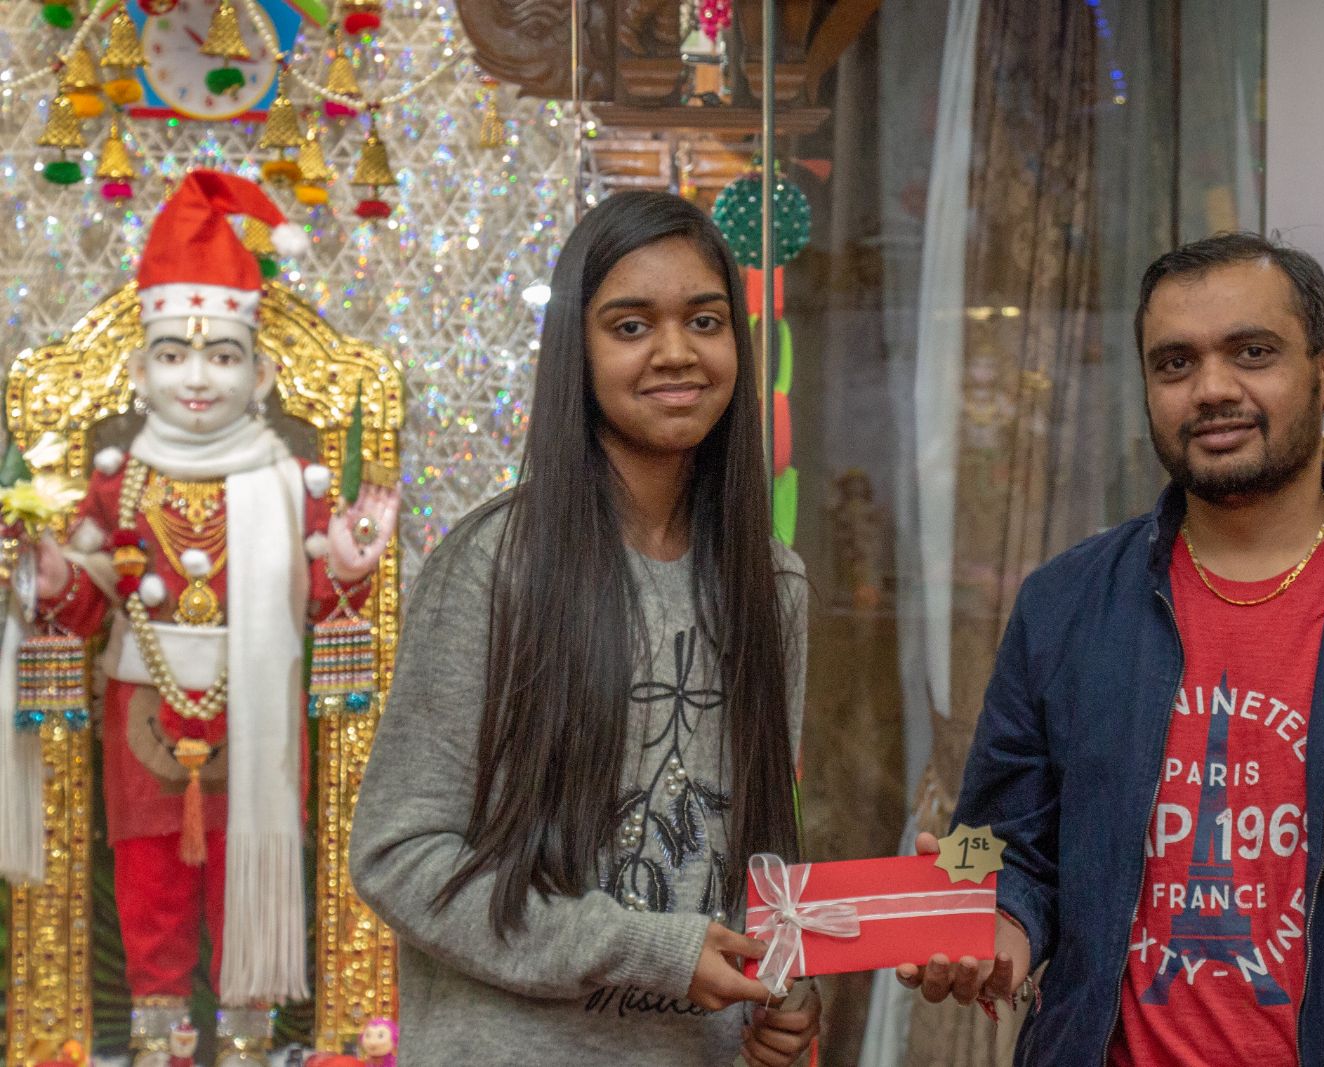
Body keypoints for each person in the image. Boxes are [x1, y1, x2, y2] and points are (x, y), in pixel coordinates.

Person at [898, 233, 1324, 1064]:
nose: (1212, 388)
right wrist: (977, 903)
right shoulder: (1061, 604)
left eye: (1252, 352)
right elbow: (990, 836)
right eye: (1174, 364)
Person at [349, 191, 820, 1066]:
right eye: (631, 325)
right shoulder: (499, 565)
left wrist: (782, 986)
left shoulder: (773, 583)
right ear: (577, 350)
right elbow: (398, 854)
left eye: (705, 320)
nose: (675, 351)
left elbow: (754, 857)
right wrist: (650, 947)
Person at [5, 170, 399, 1065]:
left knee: (242, 880)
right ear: (141, 368)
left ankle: (251, 1040)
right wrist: (56, 567)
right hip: (142, 708)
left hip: (254, 715)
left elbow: (333, 604)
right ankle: (160, 1045)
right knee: (150, 886)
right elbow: (79, 597)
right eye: (175, 356)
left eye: (221, 355)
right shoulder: (117, 475)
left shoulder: (286, 479)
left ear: (258, 372)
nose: (196, 377)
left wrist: (344, 569)